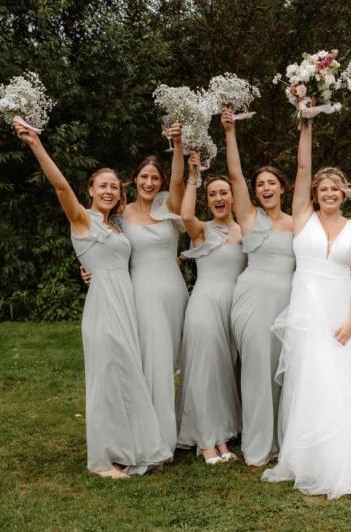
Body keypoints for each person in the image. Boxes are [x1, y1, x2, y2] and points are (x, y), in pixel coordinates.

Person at [13, 122, 171, 478]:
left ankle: (129, 448)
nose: (109, 191)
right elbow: (60, 186)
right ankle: (103, 460)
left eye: (114, 186)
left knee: (126, 378)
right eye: (103, 186)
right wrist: (36, 144)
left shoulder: (116, 225)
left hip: (125, 304)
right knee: (107, 382)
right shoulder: (82, 219)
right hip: (104, 308)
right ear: (90, 190)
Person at [261, 118, 351, 501]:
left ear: (344, 194)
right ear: (314, 193)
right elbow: (302, 168)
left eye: (335, 189)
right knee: (310, 381)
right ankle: (310, 461)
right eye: (323, 189)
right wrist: (306, 125)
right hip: (306, 311)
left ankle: (349, 461)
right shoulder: (302, 217)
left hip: (341, 312)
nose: (328, 193)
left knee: (344, 384)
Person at [221, 107, 294, 466]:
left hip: (287, 302)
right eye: (260, 184)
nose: (265, 188)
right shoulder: (248, 217)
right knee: (256, 369)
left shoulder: (297, 223)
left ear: (283, 188)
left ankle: (284, 440)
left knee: (283, 368)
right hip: (252, 300)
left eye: (271, 183)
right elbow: (235, 176)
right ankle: (258, 443)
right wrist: (230, 133)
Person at [115, 123, 188, 451]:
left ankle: (171, 427)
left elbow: (179, 180)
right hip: (141, 292)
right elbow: (106, 247)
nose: (149, 183)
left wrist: (178, 144)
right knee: (152, 363)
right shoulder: (121, 214)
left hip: (173, 291)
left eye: (155, 178)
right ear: (134, 180)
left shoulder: (169, 208)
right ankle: (156, 440)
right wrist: (89, 271)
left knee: (168, 362)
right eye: (144, 177)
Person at [175, 152, 246, 464]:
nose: (219, 198)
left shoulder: (244, 231)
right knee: (204, 371)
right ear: (207, 200)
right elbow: (185, 215)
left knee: (224, 373)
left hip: (233, 309)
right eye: (213, 194)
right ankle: (207, 441)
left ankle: (222, 435)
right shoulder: (201, 229)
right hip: (204, 306)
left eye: (223, 192)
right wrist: (193, 177)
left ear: (232, 197)